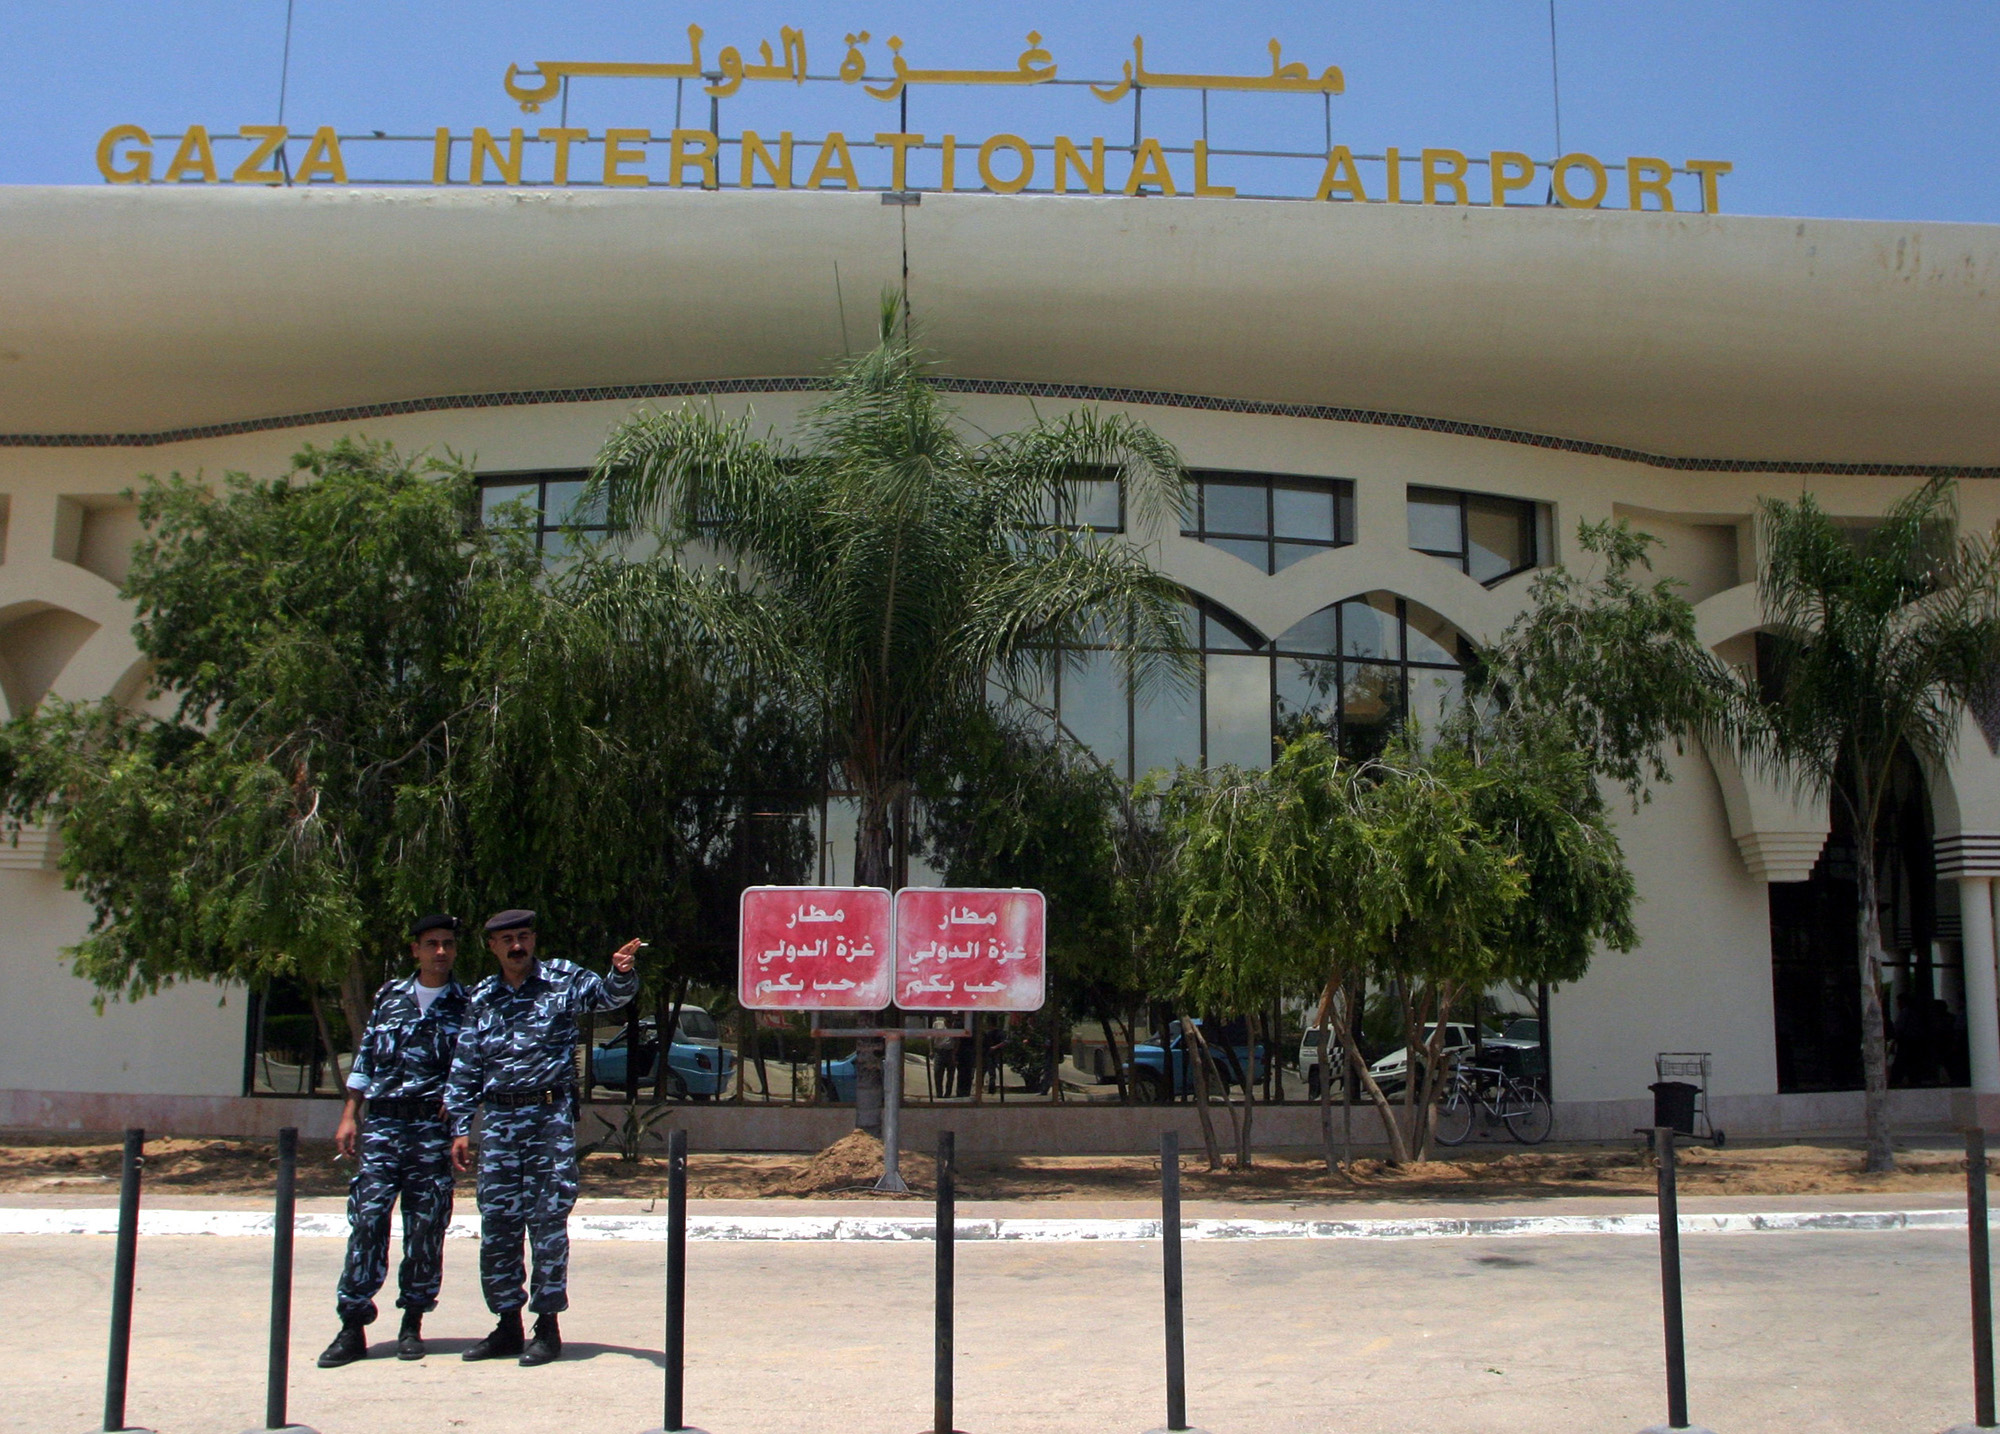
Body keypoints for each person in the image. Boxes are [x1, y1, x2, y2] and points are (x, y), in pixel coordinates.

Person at [444, 909, 642, 1366]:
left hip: (547, 1118)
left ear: (533, 939)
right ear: (492, 947)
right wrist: (458, 1125)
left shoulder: (562, 979)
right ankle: (506, 1325)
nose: (517, 946)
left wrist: (620, 971)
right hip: (498, 1123)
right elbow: (467, 1063)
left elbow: (608, 997)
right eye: (507, 939)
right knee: (498, 1224)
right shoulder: (483, 997)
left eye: (524, 936)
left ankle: (547, 1326)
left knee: (548, 1223)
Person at [318, 913, 470, 1368]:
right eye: (431, 944)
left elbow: (473, 1065)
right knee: (367, 1222)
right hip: (383, 1127)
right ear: (415, 951)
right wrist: (350, 1114)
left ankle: (413, 1323)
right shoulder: (390, 997)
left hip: (430, 1130)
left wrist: (461, 1117)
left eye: (447, 943)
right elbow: (366, 1058)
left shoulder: (467, 1004)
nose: (439, 951)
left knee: (425, 1228)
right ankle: (353, 1325)